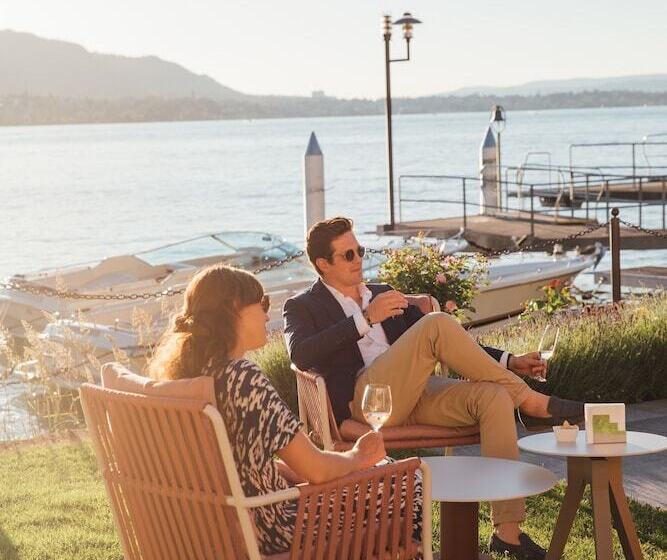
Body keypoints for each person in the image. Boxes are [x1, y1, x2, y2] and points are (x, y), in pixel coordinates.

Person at [284, 216, 584, 560]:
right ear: (323, 264)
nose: (358, 260)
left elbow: (453, 343)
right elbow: (300, 353)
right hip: (367, 402)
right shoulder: (303, 306)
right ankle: (532, 404)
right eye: (348, 255)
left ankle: (508, 533)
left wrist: (510, 360)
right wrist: (365, 319)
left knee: (495, 397)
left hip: (417, 394)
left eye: (360, 250)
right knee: (436, 323)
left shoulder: (383, 293)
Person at [146, 264, 421, 556]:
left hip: (240, 519)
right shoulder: (243, 378)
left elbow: (234, 462)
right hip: (283, 527)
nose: (267, 315)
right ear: (235, 309)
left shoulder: (192, 377)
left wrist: (288, 472)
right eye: (262, 304)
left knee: (382, 477)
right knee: (408, 481)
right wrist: (359, 456)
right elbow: (317, 469)